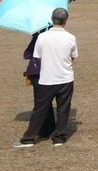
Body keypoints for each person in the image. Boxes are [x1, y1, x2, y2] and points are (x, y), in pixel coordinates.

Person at [15, 8, 78, 147]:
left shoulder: (42, 37)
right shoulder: (71, 37)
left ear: (52, 19)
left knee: (40, 108)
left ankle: (29, 138)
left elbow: (37, 57)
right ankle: (59, 137)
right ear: (66, 21)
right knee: (63, 108)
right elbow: (73, 56)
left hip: (47, 78)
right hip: (65, 78)